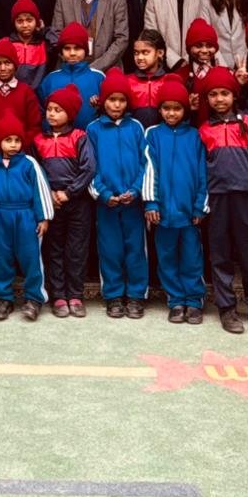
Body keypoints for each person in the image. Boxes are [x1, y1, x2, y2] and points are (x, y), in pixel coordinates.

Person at [197, 66, 248, 334]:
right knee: (220, 255)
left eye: (224, 93)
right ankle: (227, 308)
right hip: (217, 200)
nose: (219, 99)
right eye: (213, 94)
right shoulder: (204, 130)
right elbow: (199, 170)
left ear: (234, 95)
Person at [142, 78, 209, 324]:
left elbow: (203, 173)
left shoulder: (195, 136)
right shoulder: (152, 134)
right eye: (166, 108)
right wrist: (151, 202)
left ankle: (194, 300)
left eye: (177, 108)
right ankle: (176, 300)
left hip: (189, 213)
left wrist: (200, 206)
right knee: (167, 257)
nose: (171, 113)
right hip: (162, 213)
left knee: (192, 257)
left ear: (185, 109)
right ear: (159, 110)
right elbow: (148, 168)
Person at [88, 68, 148, 319]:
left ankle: (135, 295)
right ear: (103, 101)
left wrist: (136, 190)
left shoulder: (136, 127)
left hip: (133, 202)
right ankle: (113, 295)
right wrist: (103, 194)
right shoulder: (93, 129)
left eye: (122, 100)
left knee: (135, 249)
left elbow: (146, 163)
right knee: (110, 248)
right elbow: (89, 167)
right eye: (112, 99)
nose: (116, 105)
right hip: (107, 203)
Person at [33, 86, 96, 319]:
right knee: (54, 249)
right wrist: (49, 194)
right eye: (49, 109)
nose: (52, 114)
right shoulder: (38, 139)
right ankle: (58, 295)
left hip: (77, 202)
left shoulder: (79, 137)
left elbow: (88, 168)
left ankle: (75, 295)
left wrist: (69, 192)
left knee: (76, 250)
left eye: (58, 110)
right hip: (52, 204)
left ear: (70, 114)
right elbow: (36, 171)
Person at [0, 111, 53, 322]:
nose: (13, 145)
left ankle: (34, 298)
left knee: (30, 257)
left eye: (17, 140)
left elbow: (41, 190)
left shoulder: (29, 163)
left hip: (25, 216)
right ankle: (2, 298)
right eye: (8, 140)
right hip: (0, 216)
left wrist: (44, 217)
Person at [48, 0, 129, 72]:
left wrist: (95, 68)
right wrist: (73, 61)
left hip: (107, 70)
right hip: (70, 69)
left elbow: (122, 39)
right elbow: (56, 36)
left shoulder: (117, 0)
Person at [38, 22, 105, 130]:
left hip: (90, 137)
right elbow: (41, 111)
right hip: (57, 138)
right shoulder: (51, 79)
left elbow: (108, 110)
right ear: (61, 51)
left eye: (77, 48)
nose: (72, 53)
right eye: (67, 48)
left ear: (86, 50)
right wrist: (49, 132)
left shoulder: (98, 77)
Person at [126, 29, 169, 128]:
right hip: (135, 135)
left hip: (161, 135)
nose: (139, 57)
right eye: (136, 53)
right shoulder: (127, 81)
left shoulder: (169, 81)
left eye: (145, 52)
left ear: (160, 53)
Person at [8, 0, 50, 90]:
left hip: (36, 95)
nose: (25, 25)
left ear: (37, 21)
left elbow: (57, 42)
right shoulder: (7, 44)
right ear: (14, 23)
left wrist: (43, 30)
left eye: (29, 20)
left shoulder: (43, 44)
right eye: (20, 21)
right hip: (12, 93)